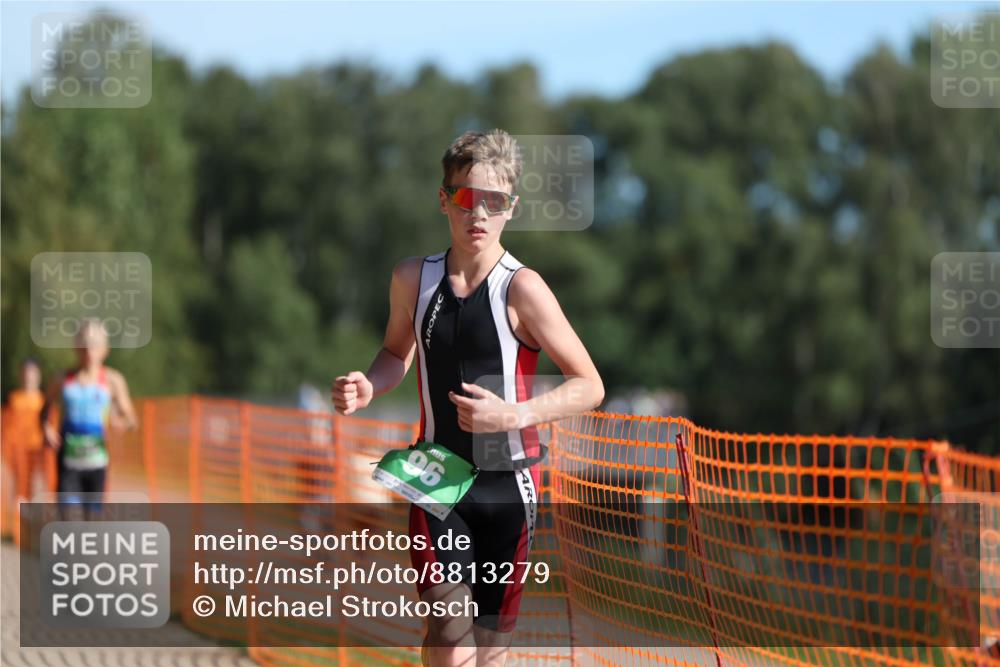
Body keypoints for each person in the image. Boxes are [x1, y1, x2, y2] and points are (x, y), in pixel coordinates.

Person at [332, 129, 604, 667]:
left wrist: (514, 414)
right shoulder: (414, 278)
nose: (478, 214)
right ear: (443, 200)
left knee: (489, 647)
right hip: (437, 477)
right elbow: (393, 352)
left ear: (511, 208)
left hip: (509, 487)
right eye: (464, 198)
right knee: (449, 623)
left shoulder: (522, 288)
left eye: (494, 202)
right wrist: (369, 384)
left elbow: (589, 385)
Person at [41, 319, 138, 518]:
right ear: (76, 347)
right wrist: (46, 429)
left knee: (91, 520)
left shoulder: (112, 380)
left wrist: (122, 422)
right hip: (68, 460)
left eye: (94, 345)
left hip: (97, 461)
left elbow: (132, 418)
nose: (88, 351)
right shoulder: (61, 379)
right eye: (84, 344)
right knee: (67, 517)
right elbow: (44, 410)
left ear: (105, 349)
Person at [2, 358, 55, 543]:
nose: (28, 378)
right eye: (25, 373)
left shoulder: (43, 400)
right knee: (21, 491)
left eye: (32, 374)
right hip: (18, 452)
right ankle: (20, 530)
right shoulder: (13, 399)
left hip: (39, 452)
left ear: (38, 377)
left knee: (40, 489)